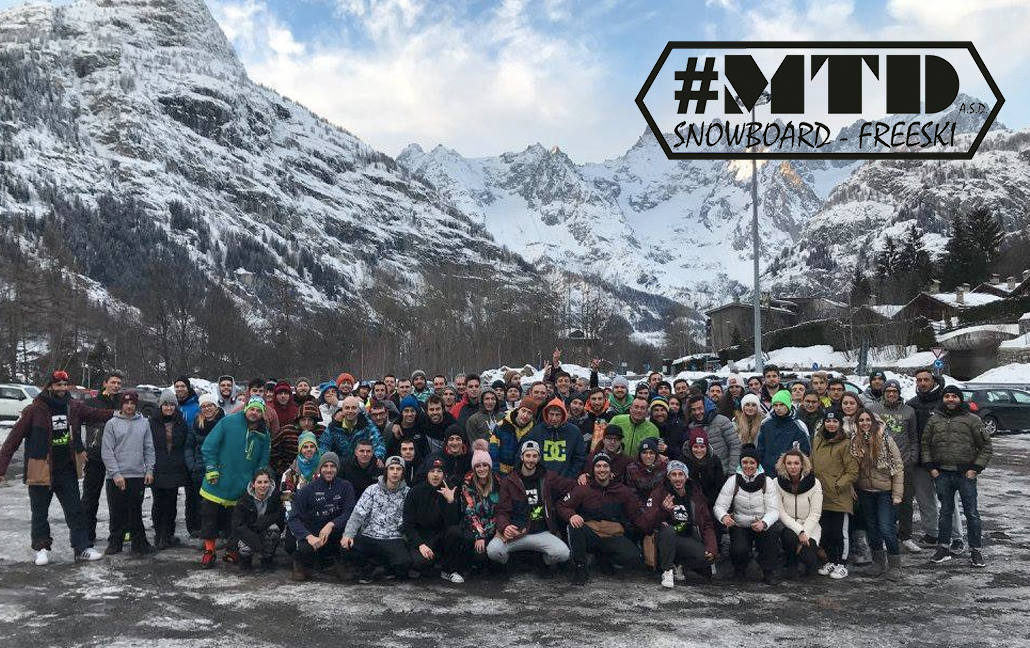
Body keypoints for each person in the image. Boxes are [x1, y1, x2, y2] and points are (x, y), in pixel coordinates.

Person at [0, 370, 113, 565]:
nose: (62, 388)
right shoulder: (34, 409)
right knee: (39, 512)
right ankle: (41, 549)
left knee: (75, 510)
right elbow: (12, 441)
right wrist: (1, 469)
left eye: (65, 385)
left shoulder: (73, 406)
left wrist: (120, 413)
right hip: (40, 469)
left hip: (66, 469)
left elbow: (95, 414)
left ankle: (82, 548)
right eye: (58, 385)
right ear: (49, 386)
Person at [922, 385, 992, 568]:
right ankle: (943, 548)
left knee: (972, 513)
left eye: (954, 396)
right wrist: (931, 468)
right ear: (942, 399)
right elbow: (925, 445)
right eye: (947, 396)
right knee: (945, 512)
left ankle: (976, 550)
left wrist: (975, 468)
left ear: (960, 399)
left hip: (965, 474)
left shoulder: (972, 420)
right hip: (942, 474)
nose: (950, 399)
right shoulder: (934, 420)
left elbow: (986, 446)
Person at [198, 397, 271, 569]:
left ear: (262, 414)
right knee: (209, 518)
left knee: (235, 521)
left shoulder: (264, 434)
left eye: (258, 410)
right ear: (246, 409)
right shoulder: (228, 422)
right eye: (252, 409)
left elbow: (263, 461)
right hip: (217, 481)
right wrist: (211, 468)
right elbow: (209, 446)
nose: (254, 413)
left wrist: (257, 480)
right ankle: (209, 551)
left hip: (241, 485)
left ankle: (232, 550)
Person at [488, 441, 575, 575]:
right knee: (493, 550)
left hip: (541, 532)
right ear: (522, 457)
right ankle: (507, 563)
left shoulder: (548, 477)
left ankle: (543, 562)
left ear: (539, 458)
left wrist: (586, 478)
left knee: (563, 553)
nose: (531, 459)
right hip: (517, 532)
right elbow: (501, 510)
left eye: (534, 456)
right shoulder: (510, 480)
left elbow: (571, 486)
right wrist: (505, 527)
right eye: (528, 455)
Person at [560, 452, 646, 586]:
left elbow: (636, 514)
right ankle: (580, 567)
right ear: (593, 470)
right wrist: (572, 515)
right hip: (591, 534)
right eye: (598, 466)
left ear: (610, 469)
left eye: (605, 466)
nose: (602, 469)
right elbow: (562, 506)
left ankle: (604, 558)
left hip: (612, 536)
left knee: (634, 559)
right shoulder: (583, 490)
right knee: (574, 526)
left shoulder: (622, 491)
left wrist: (654, 520)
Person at [907, 368, 963, 550]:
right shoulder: (912, 404)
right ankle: (932, 533)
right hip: (920, 462)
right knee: (925, 500)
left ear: (934, 381)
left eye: (926, 380)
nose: (922, 383)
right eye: (919, 380)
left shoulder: (945, 402)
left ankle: (956, 537)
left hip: (943, 461)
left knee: (948, 500)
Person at [639, 460, 717, 588]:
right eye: (673, 474)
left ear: (686, 476)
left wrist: (711, 546)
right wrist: (662, 510)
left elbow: (706, 523)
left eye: (680, 474)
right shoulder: (659, 492)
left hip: (685, 537)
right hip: (663, 538)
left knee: (707, 556)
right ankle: (667, 570)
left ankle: (680, 566)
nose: (677, 478)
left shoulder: (695, 494)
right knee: (668, 530)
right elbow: (646, 523)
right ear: (668, 477)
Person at [865, 379, 920, 552]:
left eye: (894, 391)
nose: (891, 394)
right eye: (888, 391)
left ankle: (906, 536)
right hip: (880, 465)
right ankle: (882, 535)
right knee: (881, 501)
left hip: (903, 463)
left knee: (905, 501)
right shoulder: (873, 409)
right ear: (883, 393)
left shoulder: (909, 411)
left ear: (899, 393)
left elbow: (913, 437)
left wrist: (912, 457)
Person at [713, 447, 781, 584]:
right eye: (745, 462)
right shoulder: (733, 480)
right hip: (740, 524)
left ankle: (768, 571)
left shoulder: (767, 481)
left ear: (757, 464)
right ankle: (739, 571)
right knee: (739, 549)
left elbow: (774, 510)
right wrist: (724, 516)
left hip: (761, 523)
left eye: (752, 462)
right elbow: (719, 506)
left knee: (771, 536)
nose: (748, 466)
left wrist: (764, 523)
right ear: (740, 463)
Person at [102, 390, 156, 555]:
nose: (129, 406)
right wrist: (116, 474)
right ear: (121, 405)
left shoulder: (144, 423)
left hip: (137, 474)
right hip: (116, 476)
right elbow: (107, 451)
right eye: (126, 403)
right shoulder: (112, 423)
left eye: (132, 403)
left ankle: (139, 542)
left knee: (135, 511)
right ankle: (115, 542)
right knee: (116, 511)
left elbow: (149, 448)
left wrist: (149, 470)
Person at [341, 456, 412, 583]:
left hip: (394, 537)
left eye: (398, 469)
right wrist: (348, 535)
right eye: (391, 468)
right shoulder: (372, 489)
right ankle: (369, 566)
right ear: (386, 471)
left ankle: (387, 566)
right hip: (370, 535)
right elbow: (358, 514)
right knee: (346, 547)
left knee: (404, 563)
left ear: (403, 472)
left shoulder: (408, 493)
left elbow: (410, 520)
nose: (395, 472)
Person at [852, 409, 904, 579]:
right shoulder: (854, 441)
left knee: (886, 528)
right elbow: (853, 468)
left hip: (885, 492)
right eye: (861, 420)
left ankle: (895, 564)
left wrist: (897, 494)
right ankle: (879, 562)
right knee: (872, 528)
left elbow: (897, 467)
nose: (865, 423)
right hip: (865, 491)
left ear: (874, 422)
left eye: (868, 420)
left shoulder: (886, 440)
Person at [287, 452, 355, 581]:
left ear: (337, 468)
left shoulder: (346, 486)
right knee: (305, 549)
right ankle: (300, 563)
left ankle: (339, 562)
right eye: (325, 466)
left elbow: (350, 512)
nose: (329, 470)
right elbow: (293, 518)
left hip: (334, 532)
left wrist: (332, 524)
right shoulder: (307, 489)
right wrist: (309, 536)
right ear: (320, 468)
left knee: (350, 542)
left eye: (332, 466)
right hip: (313, 534)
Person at [809, 410, 858, 580]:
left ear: (839, 424)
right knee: (826, 531)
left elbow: (852, 471)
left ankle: (842, 564)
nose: (831, 424)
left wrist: (838, 485)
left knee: (840, 532)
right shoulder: (817, 440)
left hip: (839, 497)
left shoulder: (845, 443)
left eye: (835, 421)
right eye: (828, 421)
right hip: (821, 495)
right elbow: (812, 462)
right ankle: (831, 560)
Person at [402, 457, 464, 583]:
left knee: (455, 532)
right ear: (427, 473)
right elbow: (408, 525)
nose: (435, 475)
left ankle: (449, 570)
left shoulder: (450, 490)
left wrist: (450, 501)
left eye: (439, 471)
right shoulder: (415, 492)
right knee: (419, 563)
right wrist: (420, 544)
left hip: (442, 536)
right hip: (422, 538)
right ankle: (431, 563)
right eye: (432, 471)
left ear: (444, 474)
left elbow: (453, 523)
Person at [80, 371, 122, 543]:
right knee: (90, 497)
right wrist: (79, 448)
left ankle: (118, 533)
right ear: (105, 383)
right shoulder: (91, 403)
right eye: (113, 382)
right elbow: (76, 425)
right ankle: (87, 534)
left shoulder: (123, 402)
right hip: (95, 454)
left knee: (118, 498)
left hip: (117, 456)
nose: (116, 386)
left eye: (118, 383)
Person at [149, 389, 190, 550]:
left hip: (174, 467)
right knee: (158, 502)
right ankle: (159, 535)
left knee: (171, 503)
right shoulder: (152, 422)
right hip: (157, 467)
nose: (168, 408)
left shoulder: (180, 422)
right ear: (160, 406)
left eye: (171, 404)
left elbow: (184, 444)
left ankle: (168, 535)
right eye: (165, 404)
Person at [774, 449, 823, 578]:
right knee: (789, 537)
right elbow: (780, 512)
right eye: (789, 463)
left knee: (809, 558)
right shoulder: (776, 482)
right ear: (784, 464)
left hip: (810, 526)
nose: (792, 467)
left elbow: (816, 513)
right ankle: (791, 563)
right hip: (788, 525)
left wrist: (804, 533)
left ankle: (810, 559)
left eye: (796, 463)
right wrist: (799, 531)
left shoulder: (815, 483)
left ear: (802, 464)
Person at [457, 443, 500, 577]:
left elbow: (500, 511)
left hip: (493, 526)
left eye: (484, 465)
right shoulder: (467, 485)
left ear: (489, 466)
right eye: (478, 466)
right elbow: (469, 513)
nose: (481, 469)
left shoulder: (498, 483)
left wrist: (487, 532)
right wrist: (480, 535)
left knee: (496, 559)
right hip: (474, 527)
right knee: (474, 548)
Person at [185, 393, 224, 538]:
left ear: (216, 407)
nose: (207, 409)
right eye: (204, 406)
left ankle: (219, 530)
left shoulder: (223, 423)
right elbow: (188, 447)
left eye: (210, 405)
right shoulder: (195, 425)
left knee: (218, 502)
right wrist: (192, 465)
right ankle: (201, 531)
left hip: (219, 469)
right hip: (199, 469)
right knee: (200, 503)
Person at [231, 468, 284, 571]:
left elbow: (279, 516)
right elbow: (237, 525)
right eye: (259, 482)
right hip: (247, 531)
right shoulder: (244, 499)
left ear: (270, 483)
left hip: (265, 529)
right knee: (245, 548)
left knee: (274, 529)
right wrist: (256, 542)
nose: (263, 485)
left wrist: (262, 523)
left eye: (266, 482)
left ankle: (267, 558)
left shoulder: (276, 496)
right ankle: (245, 561)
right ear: (253, 484)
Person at [526, 398, 586, 479]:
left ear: (563, 415)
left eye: (557, 415)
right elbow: (526, 453)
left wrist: (569, 477)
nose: (554, 418)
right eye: (551, 414)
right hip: (541, 479)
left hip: (565, 480)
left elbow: (580, 457)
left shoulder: (574, 431)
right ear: (546, 414)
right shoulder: (537, 431)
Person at [756, 390, 810, 476]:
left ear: (788, 405)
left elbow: (805, 452)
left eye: (781, 405)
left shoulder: (799, 425)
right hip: (767, 472)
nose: (778, 408)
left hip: (790, 473)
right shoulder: (765, 424)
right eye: (775, 405)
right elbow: (760, 450)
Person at [319, 396, 385, 464]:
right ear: (342, 410)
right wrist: (329, 461)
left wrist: (377, 458)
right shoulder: (334, 426)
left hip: (361, 464)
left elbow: (379, 443)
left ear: (359, 410)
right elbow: (324, 445)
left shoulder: (367, 425)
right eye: (347, 408)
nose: (350, 411)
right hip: (340, 465)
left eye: (354, 408)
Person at [685, 394, 740, 474]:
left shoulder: (722, 421)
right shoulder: (692, 427)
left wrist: (732, 472)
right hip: (704, 474)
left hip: (724, 471)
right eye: (694, 410)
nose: (697, 412)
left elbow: (735, 446)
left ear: (707, 407)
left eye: (700, 408)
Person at [488, 397, 540, 474]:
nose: (525, 415)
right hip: (501, 472)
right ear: (518, 410)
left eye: (529, 413)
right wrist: (495, 471)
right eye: (523, 411)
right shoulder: (501, 426)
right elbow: (493, 450)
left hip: (522, 473)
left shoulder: (533, 431)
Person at [624, 438, 668, 504]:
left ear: (656, 455)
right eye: (644, 453)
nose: (648, 456)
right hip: (638, 504)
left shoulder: (664, 466)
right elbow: (632, 493)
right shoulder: (631, 469)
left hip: (659, 503)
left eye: (651, 453)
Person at [280, 431, 321, 501]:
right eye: (305, 447)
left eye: (312, 446)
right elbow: (285, 497)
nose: (309, 449)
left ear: (316, 448)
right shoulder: (291, 472)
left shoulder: (324, 467)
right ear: (300, 450)